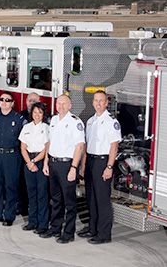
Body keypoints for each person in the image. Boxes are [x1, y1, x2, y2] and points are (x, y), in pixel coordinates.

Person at [40, 95, 84, 244]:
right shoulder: (53, 120)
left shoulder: (75, 123)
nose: (61, 106)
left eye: (64, 104)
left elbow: (79, 147)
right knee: (56, 199)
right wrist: (46, 162)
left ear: (70, 106)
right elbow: (49, 143)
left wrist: (74, 168)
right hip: (53, 163)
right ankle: (55, 228)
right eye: (59, 103)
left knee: (69, 202)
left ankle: (69, 232)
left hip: (67, 165)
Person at [79, 91, 121, 244]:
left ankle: (104, 234)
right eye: (96, 100)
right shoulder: (90, 121)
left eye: (101, 101)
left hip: (103, 162)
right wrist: (83, 165)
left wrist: (109, 166)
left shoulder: (111, 122)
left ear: (106, 103)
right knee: (90, 198)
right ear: (92, 102)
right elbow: (87, 145)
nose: (98, 103)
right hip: (90, 161)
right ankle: (92, 228)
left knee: (102, 200)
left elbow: (114, 147)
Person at [0, 92, 24, 226]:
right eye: (2, 99)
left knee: (11, 186)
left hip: (12, 155)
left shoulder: (18, 119)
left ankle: (9, 216)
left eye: (8, 100)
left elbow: (23, 138)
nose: (4, 102)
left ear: (12, 103)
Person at [18, 102, 50, 234]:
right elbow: (23, 147)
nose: (37, 115)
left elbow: (46, 148)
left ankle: (43, 224)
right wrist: (29, 163)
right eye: (35, 112)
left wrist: (35, 161)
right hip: (28, 163)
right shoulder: (27, 127)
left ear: (44, 114)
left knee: (42, 194)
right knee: (31, 194)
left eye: (40, 112)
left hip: (41, 161)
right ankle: (32, 222)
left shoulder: (47, 128)